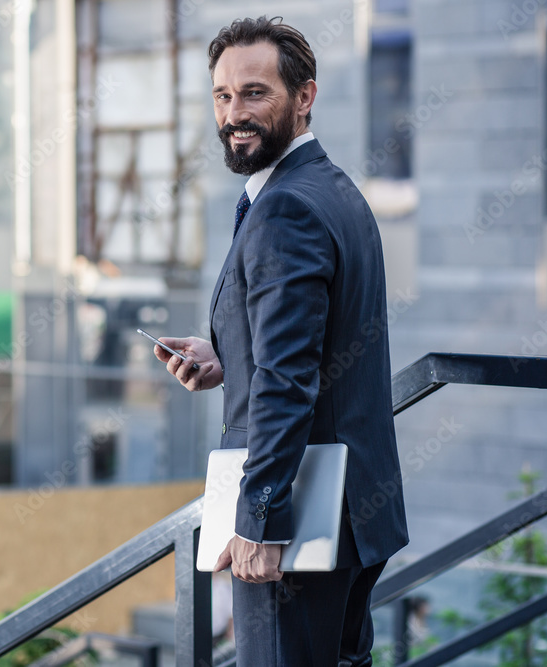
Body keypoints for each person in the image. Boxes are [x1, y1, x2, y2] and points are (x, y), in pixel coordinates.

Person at [153, 16, 409, 666]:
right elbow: (311, 342)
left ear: (304, 97)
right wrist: (227, 355)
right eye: (222, 95)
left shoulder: (286, 209)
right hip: (352, 517)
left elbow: (286, 381)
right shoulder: (335, 189)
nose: (234, 113)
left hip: (297, 526)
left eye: (255, 93)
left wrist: (260, 521)